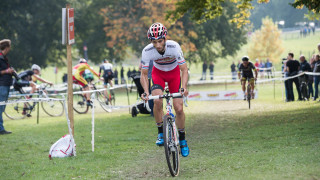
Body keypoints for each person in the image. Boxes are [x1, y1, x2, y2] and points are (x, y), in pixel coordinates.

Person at [140, 22, 189, 157]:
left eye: (160, 41)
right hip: (158, 74)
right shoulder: (147, 51)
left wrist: (183, 87)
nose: (158, 45)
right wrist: (145, 91)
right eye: (154, 42)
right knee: (157, 102)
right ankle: (160, 132)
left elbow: (184, 70)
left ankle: (183, 139)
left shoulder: (174, 47)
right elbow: (144, 74)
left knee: (178, 108)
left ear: (165, 38)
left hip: (174, 74)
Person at [0, 39, 16, 135]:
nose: (10, 48)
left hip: (5, 84)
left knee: (2, 108)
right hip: (2, 85)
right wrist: (7, 71)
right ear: (7, 47)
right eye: (9, 46)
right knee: (0, 108)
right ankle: (1, 129)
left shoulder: (4, 58)